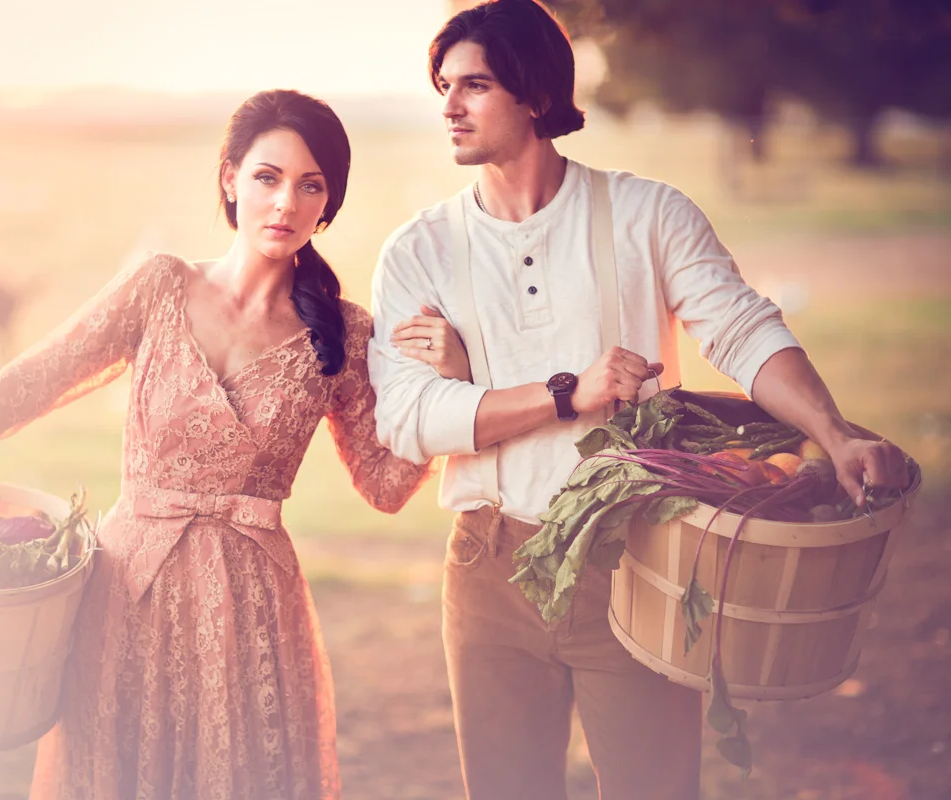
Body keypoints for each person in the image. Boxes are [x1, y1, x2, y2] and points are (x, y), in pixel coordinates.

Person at [0, 89, 470, 800]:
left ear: (329, 203)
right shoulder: (160, 286)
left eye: (309, 185)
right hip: (128, 590)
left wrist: (454, 385)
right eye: (267, 177)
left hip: (249, 612)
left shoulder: (342, 333)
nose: (285, 202)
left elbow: (384, 484)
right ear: (229, 179)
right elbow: (30, 381)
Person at [367, 2, 912, 798]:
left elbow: (741, 328)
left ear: (536, 94)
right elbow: (408, 421)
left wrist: (834, 435)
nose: (448, 105)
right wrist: (565, 394)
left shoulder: (647, 215)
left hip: (638, 557)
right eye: (442, 85)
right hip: (487, 568)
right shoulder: (418, 250)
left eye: (474, 85)